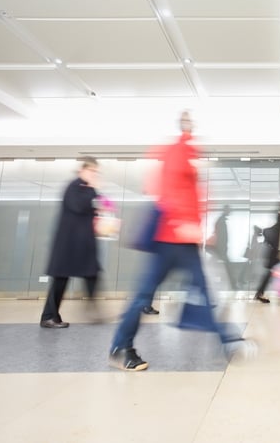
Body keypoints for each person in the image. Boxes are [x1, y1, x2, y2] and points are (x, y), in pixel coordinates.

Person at [110, 112, 252, 371]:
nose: (191, 124)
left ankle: (228, 341)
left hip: (183, 240)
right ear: (184, 127)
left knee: (204, 291)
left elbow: (189, 196)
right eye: (187, 122)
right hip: (169, 238)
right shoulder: (179, 152)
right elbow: (170, 192)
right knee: (144, 295)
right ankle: (120, 348)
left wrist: (198, 229)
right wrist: (182, 223)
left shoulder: (188, 153)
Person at [39, 157, 103, 329]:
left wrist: (98, 206)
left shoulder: (85, 188)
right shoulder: (74, 186)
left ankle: (89, 310)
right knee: (60, 280)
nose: (94, 174)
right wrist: (94, 189)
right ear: (82, 170)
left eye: (96, 172)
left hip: (80, 244)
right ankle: (49, 317)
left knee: (91, 274)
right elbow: (78, 206)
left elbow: (91, 208)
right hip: (69, 244)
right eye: (91, 171)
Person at [208, 205, 237, 290]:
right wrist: (223, 248)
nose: (230, 212)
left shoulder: (221, 220)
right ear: (226, 210)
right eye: (229, 211)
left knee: (212, 264)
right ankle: (232, 284)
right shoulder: (221, 221)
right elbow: (221, 237)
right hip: (220, 248)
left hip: (220, 248)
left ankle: (232, 283)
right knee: (227, 266)